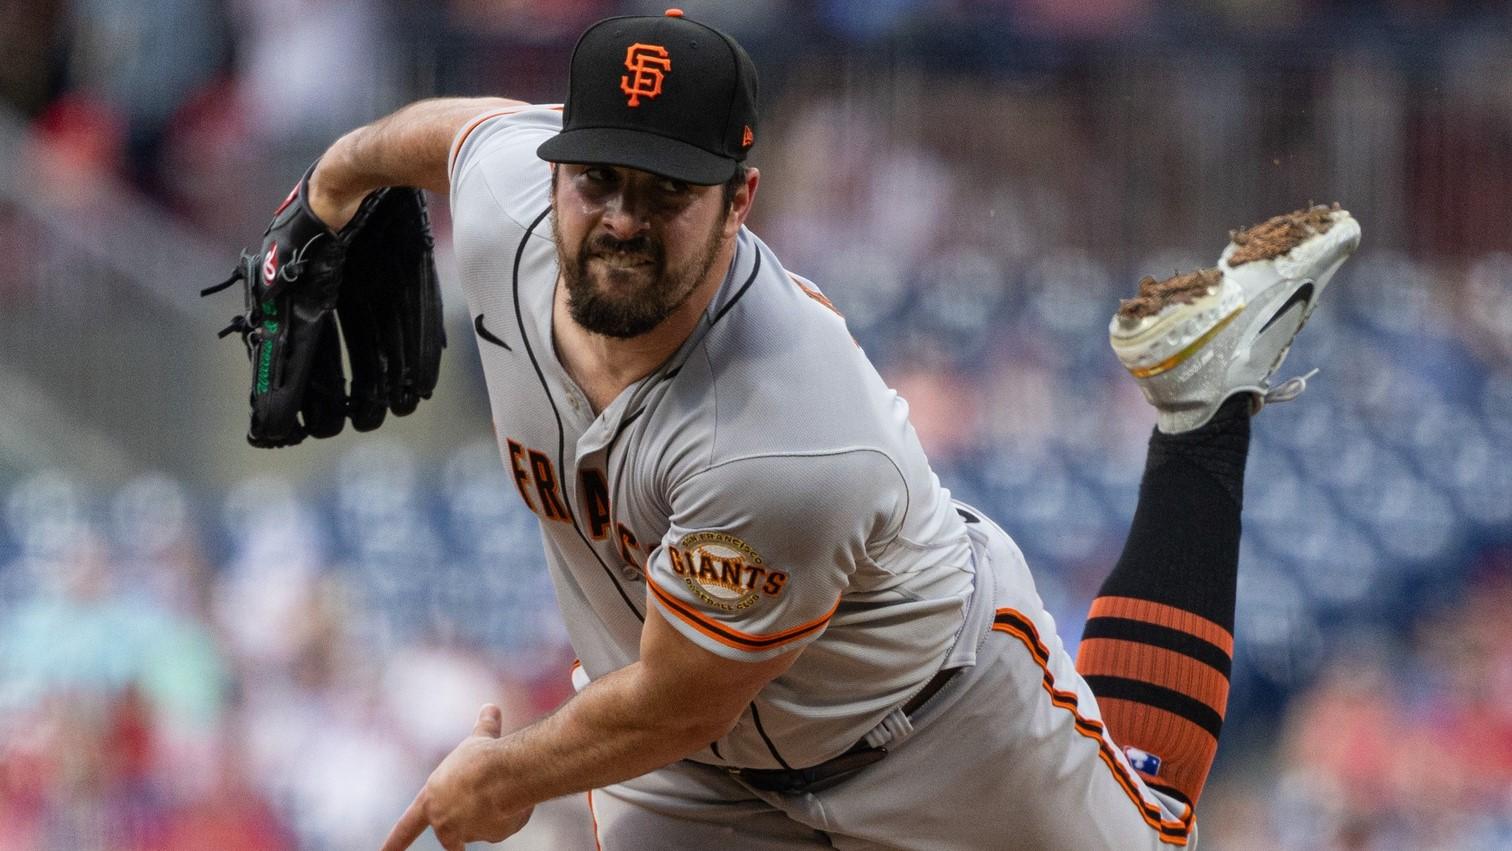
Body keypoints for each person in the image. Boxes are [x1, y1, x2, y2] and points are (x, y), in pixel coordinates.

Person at [297, 9, 1359, 850]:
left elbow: (675, 700)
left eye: (666, 191)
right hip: (696, 780)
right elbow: (458, 133)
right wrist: (334, 183)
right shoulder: (511, 202)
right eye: (597, 179)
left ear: (739, 198)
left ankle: (1202, 408)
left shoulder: (785, 436)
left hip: (931, 734)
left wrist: (505, 773)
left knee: (1152, 830)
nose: (619, 215)